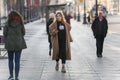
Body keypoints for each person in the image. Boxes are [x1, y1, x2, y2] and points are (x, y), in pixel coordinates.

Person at [3, 11, 27, 80]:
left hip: (9, 44)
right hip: (19, 44)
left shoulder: (7, 23)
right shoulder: (20, 23)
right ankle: (17, 76)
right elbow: (24, 33)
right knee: (17, 61)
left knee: (10, 60)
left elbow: (5, 33)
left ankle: (11, 76)